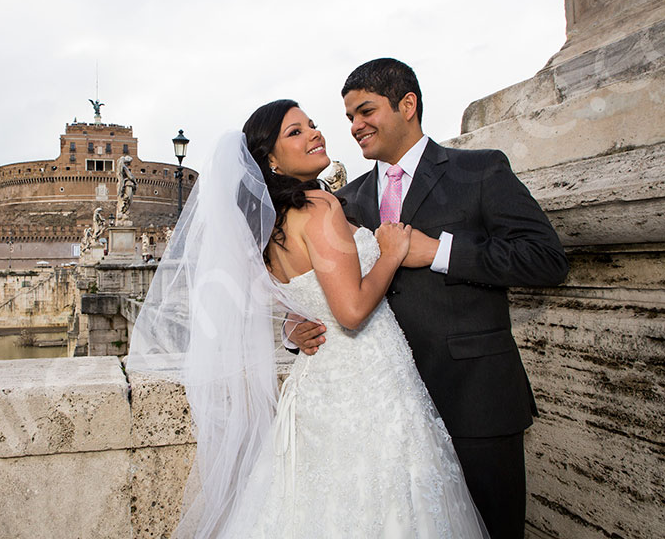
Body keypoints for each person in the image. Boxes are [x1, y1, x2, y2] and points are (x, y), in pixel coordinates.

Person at [128, 99, 488, 538]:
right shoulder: (319, 208)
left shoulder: (267, 229)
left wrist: (292, 327)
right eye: (295, 132)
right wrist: (390, 255)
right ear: (271, 161)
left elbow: (299, 300)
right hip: (369, 382)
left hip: (317, 384)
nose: (315, 134)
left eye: (312, 125)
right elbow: (352, 312)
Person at [289, 58, 569, 538]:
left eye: (366, 111)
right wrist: (294, 328)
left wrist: (439, 251)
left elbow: (545, 259)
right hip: (386, 410)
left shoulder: (479, 170)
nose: (355, 127)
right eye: (350, 118)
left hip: (475, 400)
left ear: (408, 105)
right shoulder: (346, 200)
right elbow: (315, 284)